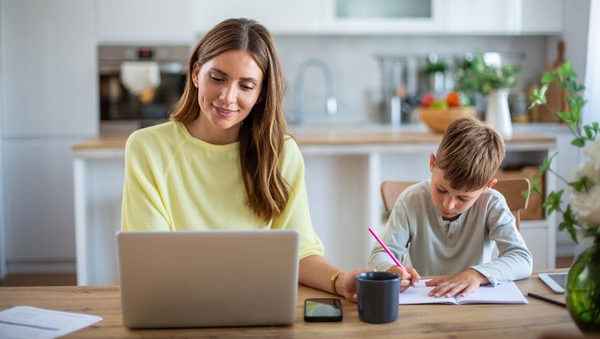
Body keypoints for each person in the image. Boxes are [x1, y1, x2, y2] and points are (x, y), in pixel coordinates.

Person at [121, 18, 366, 302]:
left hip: (256, 305)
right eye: (218, 78)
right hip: (178, 303)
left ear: (261, 93)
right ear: (196, 73)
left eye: (246, 86)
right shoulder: (148, 148)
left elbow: (299, 253)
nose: (228, 97)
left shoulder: (281, 153)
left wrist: (341, 281)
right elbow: (150, 258)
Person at [368, 117, 532, 298]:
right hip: (423, 299)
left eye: (463, 198)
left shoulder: (492, 205)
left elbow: (522, 259)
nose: (448, 204)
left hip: (473, 303)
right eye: (441, 189)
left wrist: (477, 274)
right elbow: (380, 253)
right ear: (432, 163)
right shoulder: (411, 200)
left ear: (488, 186)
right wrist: (391, 270)